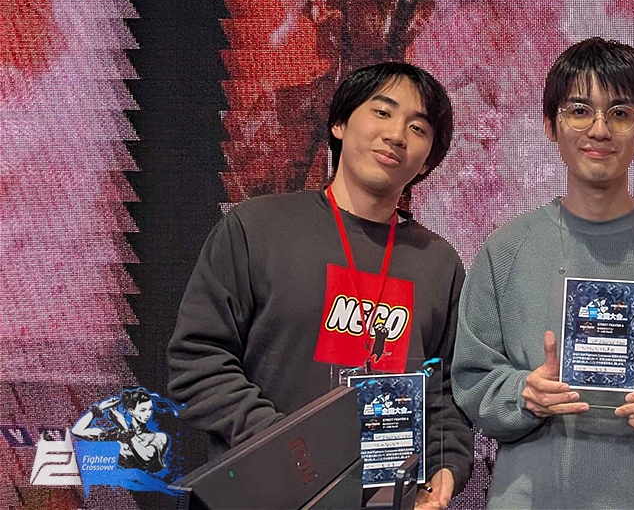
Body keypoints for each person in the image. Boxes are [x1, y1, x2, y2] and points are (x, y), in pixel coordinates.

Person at [452, 38, 634, 509]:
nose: (600, 129)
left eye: (620, 113)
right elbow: (471, 380)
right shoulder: (505, 250)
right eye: (580, 111)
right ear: (550, 125)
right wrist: (523, 393)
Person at [168, 62, 473, 509]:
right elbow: (198, 361)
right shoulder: (257, 227)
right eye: (382, 112)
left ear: (428, 159)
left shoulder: (438, 262)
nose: (396, 135)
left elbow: (443, 389)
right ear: (339, 123)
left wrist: (446, 465)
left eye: (418, 127)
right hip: (261, 495)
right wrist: (285, 446)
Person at [72, 387, 170, 473]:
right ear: (131, 411)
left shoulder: (159, 437)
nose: (148, 414)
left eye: (150, 409)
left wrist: (124, 428)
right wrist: (100, 408)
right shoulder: (115, 434)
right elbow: (77, 431)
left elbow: (146, 458)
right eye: (143, 410)